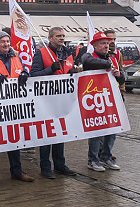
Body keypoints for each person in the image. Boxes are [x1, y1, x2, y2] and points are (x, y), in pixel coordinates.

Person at [0, 31, 33, 185]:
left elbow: (23, 69)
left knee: (13, 140)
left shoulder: (15, 57)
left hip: (13, 107)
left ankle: (17, 171)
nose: (6, 44)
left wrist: (24, 73)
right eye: (3, 42)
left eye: (8, 42)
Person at [30, 27, 78, 179]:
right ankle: (45, 167)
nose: (62, 38)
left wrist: (73, 73)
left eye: (63, 36)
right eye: (58, 36)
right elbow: (34, 76)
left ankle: (59, 165)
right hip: (46, 102)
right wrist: (50, 69)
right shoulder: (41, 53)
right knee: (47, 135)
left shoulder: (67, 53)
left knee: (61, 134)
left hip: (62, 101)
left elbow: (69, 71)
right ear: (50, 38)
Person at [81, 32, 125, 172]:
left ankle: (106, 157)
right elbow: (86, 61)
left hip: (110, 100)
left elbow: (122, 78)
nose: (106, 45)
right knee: (96, 132)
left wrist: (120, 75)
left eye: (107, 43)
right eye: (102, 43)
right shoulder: (90, 56)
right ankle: (93, 160)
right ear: (94, 45)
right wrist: (107, 63)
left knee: (112, 130)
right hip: (94, 100)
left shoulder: (112, 58)